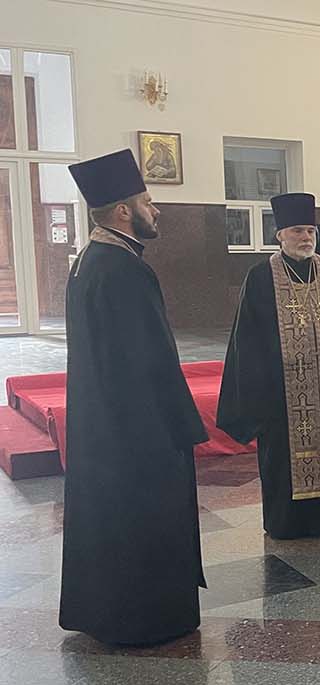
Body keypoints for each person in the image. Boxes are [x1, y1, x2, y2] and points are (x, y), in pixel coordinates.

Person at [60, 149, 208, 645]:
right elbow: (153, 359)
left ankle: (106, 614)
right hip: (140, 431)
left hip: (103, 426)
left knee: (109, 522)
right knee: (145, 520)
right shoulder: (125, 269)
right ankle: (150, 620)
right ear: (123, 211)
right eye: (147, 202)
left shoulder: (88, 262)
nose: (156, 210)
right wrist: (181, 427)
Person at [217, 193, 320, 540]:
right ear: (280, 235)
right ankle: (289, 522)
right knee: (284, 459)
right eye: (297, 231)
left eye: (310, 231)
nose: (306, 237)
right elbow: (246, 339)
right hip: (281, 396)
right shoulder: (261, 277)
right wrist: (260, 390)